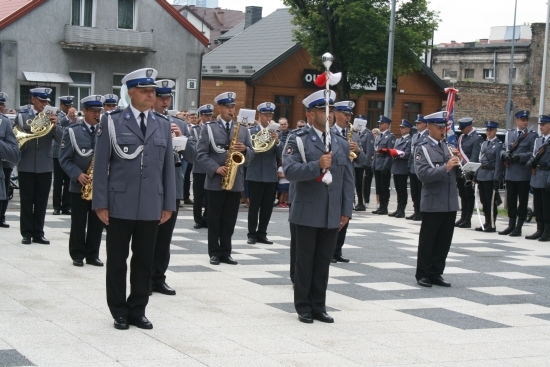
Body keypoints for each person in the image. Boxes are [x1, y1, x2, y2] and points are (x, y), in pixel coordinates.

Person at [92, 68, 176, 330]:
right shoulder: (112, 121)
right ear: (131, 93)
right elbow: (101, 164)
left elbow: (167, 170)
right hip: (119, 204)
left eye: (153, 91)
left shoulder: (162, 123)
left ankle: (138, 309)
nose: (152, 95)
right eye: (145, 91)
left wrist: (168, 204)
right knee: (117, 261)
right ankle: (118, 310)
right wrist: (100, 203)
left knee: (144, 261)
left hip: (151, 204)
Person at [283, 90, 354, 324]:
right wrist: (317, 165)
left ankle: (319, 305)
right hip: (307, 209)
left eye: (332, 110)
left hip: (332, 212)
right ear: (311, 114)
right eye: (325, 110)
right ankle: (303, 306)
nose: (330, 115)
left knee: (323, 261)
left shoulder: (340, 142)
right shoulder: (298, 139)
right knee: (305, 261)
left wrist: (346, 210)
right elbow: (290, 171)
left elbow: (346, 178)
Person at [196, 92, 254, 265]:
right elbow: (201, 154)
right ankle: (214, 252)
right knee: (214, 219)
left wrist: (244, 149)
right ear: (219, 108)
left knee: (229, 219)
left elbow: (252, 155)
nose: (231, 110)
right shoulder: (208, 128)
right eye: (227, 107)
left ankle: (226, 252)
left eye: (232, 107)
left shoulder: (243, 129)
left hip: (235, 180)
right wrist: (215, 168)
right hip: (215, 180)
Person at [150, 80, 195, 296]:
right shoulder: (147, 123)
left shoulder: (181, 124)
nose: (166, 102)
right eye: (162, 98)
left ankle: (159, 278)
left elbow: (192, 156)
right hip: (150, 187)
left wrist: (180, 138)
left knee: (165, 238)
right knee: (147, 236)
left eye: (168, 98)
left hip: (173, 187)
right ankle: (144, 279)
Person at [413, 111, 460, 288]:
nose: (443, 131)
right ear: (430, 127)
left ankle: (436, 272)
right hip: (433, 201)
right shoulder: (422, 148)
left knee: (444, 241)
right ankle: (423, 273)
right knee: (428, 240)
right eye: (439, 127)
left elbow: (456, 175)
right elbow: (423, 174)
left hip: (449, 201)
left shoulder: (446, 147)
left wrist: (459, 162)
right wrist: (446, 167)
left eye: (444, 127)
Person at [59, 95, 105, 267]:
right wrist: (77, 174)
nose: (97, 114)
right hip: (79, 185)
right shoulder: (72, 131)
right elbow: (65, 159)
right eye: (93, 111)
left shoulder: (104, 130)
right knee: (78, 222)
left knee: (97, 222)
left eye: (99, 111)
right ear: (84, 111)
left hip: (99, 185)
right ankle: (77, 254)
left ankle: (93, 254)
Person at [16, 88, 62, 245]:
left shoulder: (52, 117)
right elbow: (16, 137)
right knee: (27, 200)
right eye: (42, 101)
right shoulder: (22, 117)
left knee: (41, 201)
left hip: (45, 165)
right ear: (33, 99)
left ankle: (38, 232)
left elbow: (62, 140)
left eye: (46, 101)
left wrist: (55, 126)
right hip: (26, 164)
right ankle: (26, 233)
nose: (44, 104)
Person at [331, 101, 366, 263]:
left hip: (348, 178)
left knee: (346, 213)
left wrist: (358, 151)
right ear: (336, 114)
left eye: (349, 114)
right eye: (345, 114)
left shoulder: (354, 134)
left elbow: (363, 161)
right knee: (332, 214)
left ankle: (338, 249)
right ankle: (329, 250)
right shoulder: (329, 132)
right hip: (334, 179)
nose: (348, 117)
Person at [246, 102, 281, 244]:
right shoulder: (251, 132)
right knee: (254, 206)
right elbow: (249, 151)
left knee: (267, 207)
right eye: (266, 114)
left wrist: (277, 142)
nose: (268, 117)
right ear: (259, 115)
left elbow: (280, 155)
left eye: (270, 115)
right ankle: (251, 234)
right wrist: (261, 141)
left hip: (270, 174)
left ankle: (262, 233)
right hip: (255, 173)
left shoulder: (276, 133)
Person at [499, 110, 537, 237]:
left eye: (526, 120)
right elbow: (503, 149)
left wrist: (518, 157)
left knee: (522, 201)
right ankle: (511, 225)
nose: (525, 122)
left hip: (522, 174)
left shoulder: (532, 135)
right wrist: (504, 155)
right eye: (523, 120)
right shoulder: (510, 134)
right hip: (510, 172)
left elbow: (533, 153)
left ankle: (519, 226)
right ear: (517, 120)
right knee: (511, 200)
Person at [454, 117, 483, 228]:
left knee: (468, 195)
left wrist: (469, 171)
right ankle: (462, 216)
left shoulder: (476, 138)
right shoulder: (462, 137)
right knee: (462, 195)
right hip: (460, 170)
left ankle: (467, 219)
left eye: (463, 128)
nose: (461, 130)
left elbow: (474, 157)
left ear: (469, 127)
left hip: (469, 171)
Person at [475, 121, 503, 232]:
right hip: (482, 174)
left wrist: (497, 178)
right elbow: (480, 160)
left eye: (491, 130)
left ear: (495, 131)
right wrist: (476, 174)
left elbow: (498, 164)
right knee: (484, 201)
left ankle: (492, 224)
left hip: (490, 176)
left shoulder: (498, 145)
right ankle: (486, 222)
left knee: (491, 201)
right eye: (487, 130)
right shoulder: (484, 144)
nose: (488, 132)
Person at [525, 115, 550, 241]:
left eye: (544, 124)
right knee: (538, 205)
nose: (541, 126)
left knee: (547, 206)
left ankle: (547, 231)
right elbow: (533, 155)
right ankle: (539, 229)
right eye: (540, 124)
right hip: (537, 175)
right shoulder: (538, 141)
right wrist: (530, 164)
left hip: (546, 176)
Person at [191, 104, 213, 229]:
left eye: (210, 115)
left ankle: (207, 218)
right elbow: (194, 147)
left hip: (210, 167)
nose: (208, 117)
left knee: (209, 195)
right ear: (201, 116)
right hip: (199, 167)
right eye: (205, 115)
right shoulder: (195, 129)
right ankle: (198, 219)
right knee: (198, 196)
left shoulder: (215, 129)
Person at [52, 96, 74, 216]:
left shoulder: (74, 117)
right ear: (61, 105)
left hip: (70, 153)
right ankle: (56, 206)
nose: (69, 107)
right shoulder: (58, 116)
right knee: (58, 182)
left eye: (70, 105)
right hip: (58, 153)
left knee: (68, 181)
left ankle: (66, 206)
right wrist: (67, 117)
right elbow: (59, 131)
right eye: (66, 105)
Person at [0, 92, 18, 228]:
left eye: (2, 104)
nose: (1, 107)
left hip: (4, 162)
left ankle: (1, 216)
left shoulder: (5, 121)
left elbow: (13, 150)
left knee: (4, 190)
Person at [372, 117, 395, 215]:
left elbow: (390, 153)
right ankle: (380, 206)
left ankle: (384, 207)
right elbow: (376, 152)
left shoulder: (390, 137)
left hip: (384, 165)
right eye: (379, 123)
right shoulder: (379, 137)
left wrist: (386, 166)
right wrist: (373, 164)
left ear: (387, 125)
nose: (379, 125)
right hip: (377, 164)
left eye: (381, 124)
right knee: (379, 187)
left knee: (384, 187)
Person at [407, 115, 428, 220]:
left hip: (421, 166)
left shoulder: (427, 136)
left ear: (425, 124)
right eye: (416, 123)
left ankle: (421, 211)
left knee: (421, 190)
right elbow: (412, 151)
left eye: (419, 123)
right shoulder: (415, 136)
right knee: (414, 191)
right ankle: (416, 210)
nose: (417, 125)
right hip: (413, 166)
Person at [389, 119, 412, 218]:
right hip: (396, 166)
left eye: (403, 128)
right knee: (398, 189)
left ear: (408, 129)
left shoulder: (409, 140)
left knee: (402, 190)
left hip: (402, 167)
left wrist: (398, 153)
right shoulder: (398, 140)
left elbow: (408, 154)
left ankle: (402, 209)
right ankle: (398, 208)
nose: (401, 129)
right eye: (400, 127)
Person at [353, 115, 374, 211]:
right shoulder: (355, 132)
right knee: (357, 183)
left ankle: (363, 202)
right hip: (355, 162)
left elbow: (369, 150)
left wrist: (366, 162)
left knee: (363, 184)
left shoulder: (368, 134)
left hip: (363, 162)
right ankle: (359, 202)